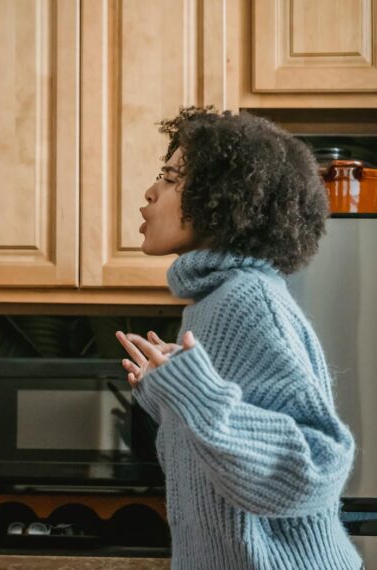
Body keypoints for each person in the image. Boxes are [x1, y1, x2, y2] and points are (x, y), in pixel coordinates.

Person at [115, 107, 362, 569]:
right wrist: (168, 394)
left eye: (170, 178)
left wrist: (199, 397)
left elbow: (318, 468)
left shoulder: (246, 298)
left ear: (224, 197)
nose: (151, 192)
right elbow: (222, 467)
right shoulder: (209, 302)